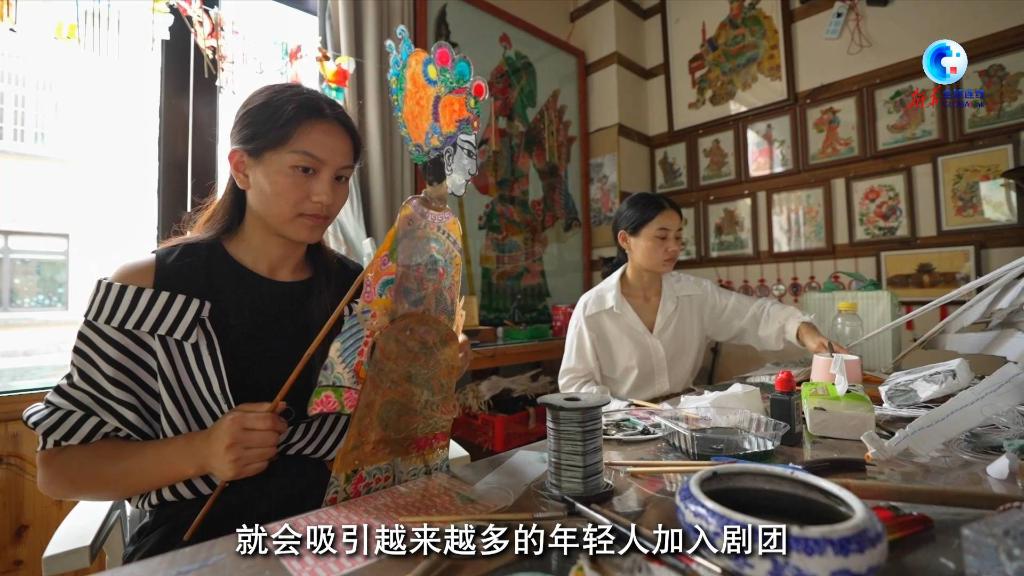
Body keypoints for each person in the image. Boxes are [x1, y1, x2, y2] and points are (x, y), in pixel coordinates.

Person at [22, 83, 471, 561]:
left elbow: (379, 435)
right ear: (241, 168)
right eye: (305, 170)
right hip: (197, 548)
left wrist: (424, 381)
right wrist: (205, 451)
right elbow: (61, 468)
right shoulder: (149, 290)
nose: (326, 196)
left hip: (335, 538)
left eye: (341, 177)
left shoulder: (357, 293)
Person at [558, 192, 835, 402]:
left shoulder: (695, 294)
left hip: (684, 417)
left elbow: (753, 315)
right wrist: (624, 412)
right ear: (625, 240)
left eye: (678, 237)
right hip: (622, 428)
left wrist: (803, 330)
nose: (674, 247)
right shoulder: (594, 308)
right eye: (662, 237)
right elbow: (575, 384)